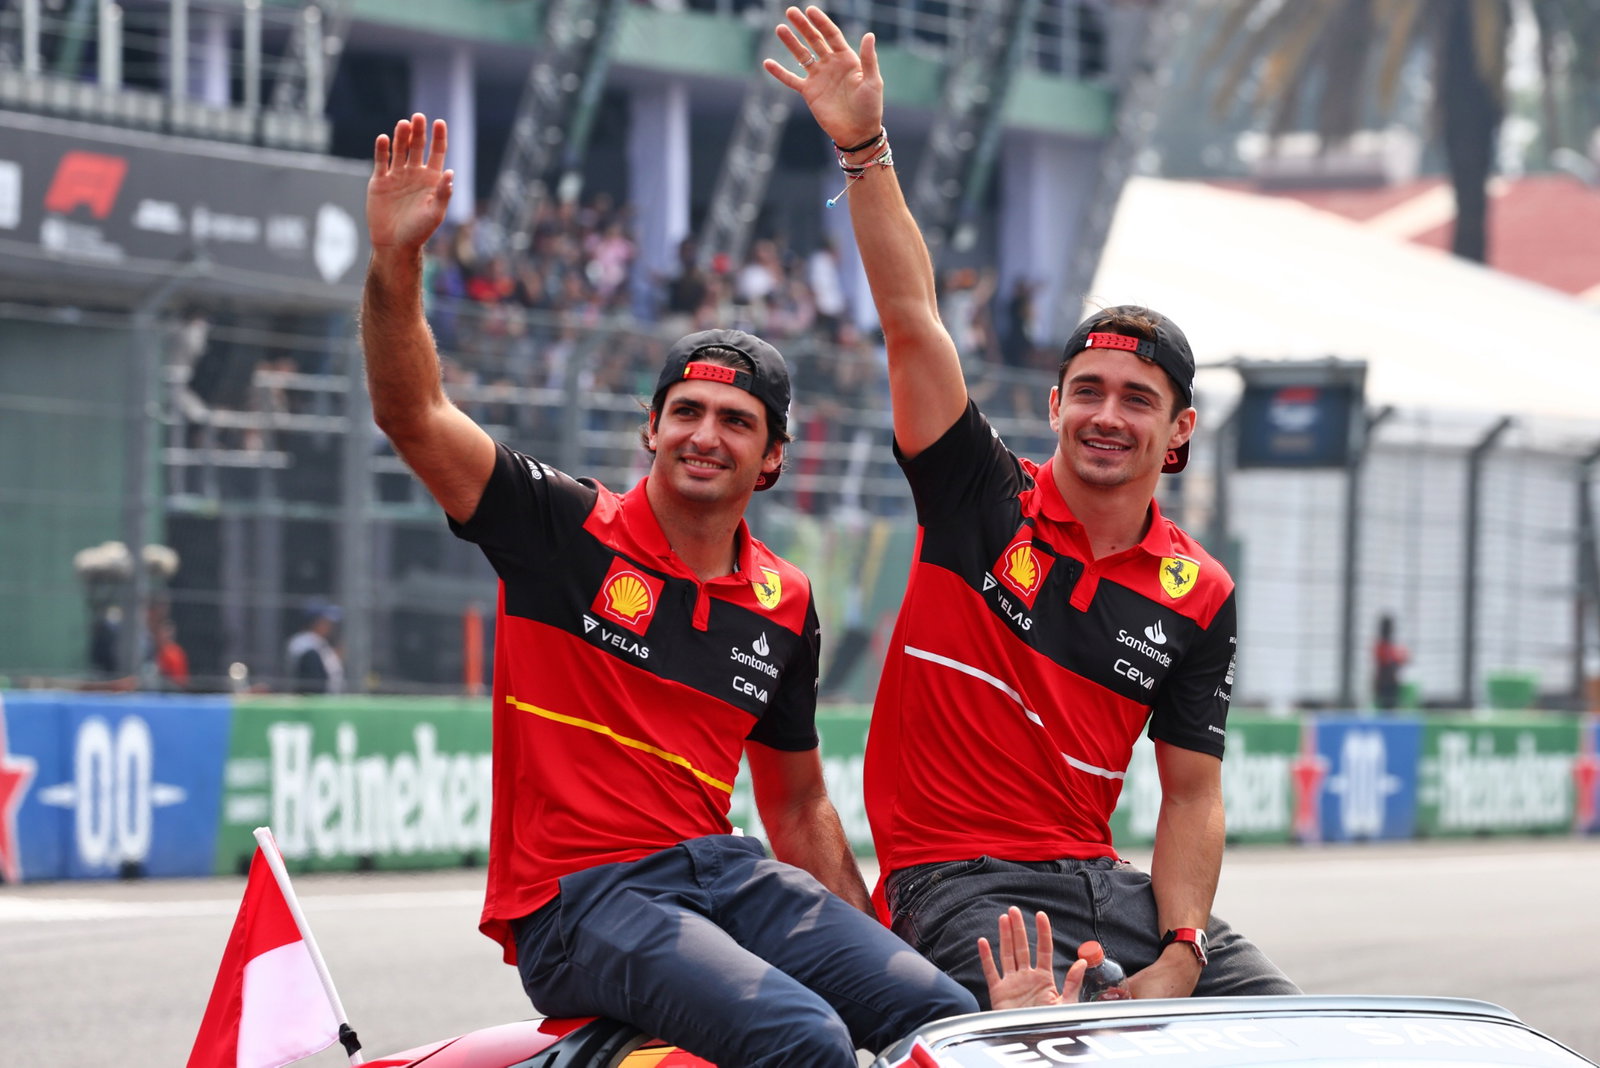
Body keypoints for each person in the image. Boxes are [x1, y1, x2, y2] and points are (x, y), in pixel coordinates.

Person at [360, 113, 976, 1068]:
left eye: (736, 420)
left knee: (939, 1016)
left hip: (723, 875)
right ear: (649, 429)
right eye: (684, 410)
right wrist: (397, 264)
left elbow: (800, 803)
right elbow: (413, 414)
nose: (704, 433)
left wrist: (878, 951)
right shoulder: (560, 529)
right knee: (803, 1037)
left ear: (772, 458)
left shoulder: (786, 601)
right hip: (580, 900)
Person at [766, 7, 1298, 1007]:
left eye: (1137, 399)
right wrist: (863, 148)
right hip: (955, 885)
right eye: (1087, 392)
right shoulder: (978, 496)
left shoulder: (1201, 591)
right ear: (1053, 406)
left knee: (1285, 1030)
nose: (1107, 415)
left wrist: (1181, 951)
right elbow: (913, 323)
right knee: (1062, 1041)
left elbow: (1190, 792)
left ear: (1178, 433)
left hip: (1110, 887)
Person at [1373, 613, 1409, 712]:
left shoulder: (1390, 646)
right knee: (1384, 709)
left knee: (1391, 709)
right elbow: (1387, 662)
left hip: (1391, 683)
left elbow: (1397, 662)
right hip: (1383, 684)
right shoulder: (1381, 646)